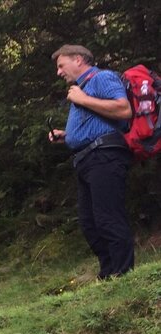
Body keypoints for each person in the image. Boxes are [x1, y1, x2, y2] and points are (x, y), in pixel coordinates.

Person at [48, 44, 134, 279]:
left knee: (108, 217)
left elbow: (123, 110)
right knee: (89, 222)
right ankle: (108, 273)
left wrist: (84, 99)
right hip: (87, 159)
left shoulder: (102, 78)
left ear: (78, 60)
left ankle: (123, 272)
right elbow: (95, 121)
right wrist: (65, 135)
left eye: (60, 65)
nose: (58, 72)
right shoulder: (80, 89)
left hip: (105, 155)